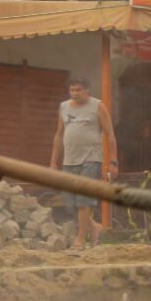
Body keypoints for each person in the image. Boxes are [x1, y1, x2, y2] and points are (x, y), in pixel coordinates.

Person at [50, 78, 118, 249]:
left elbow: (109, 134)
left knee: (83, 201)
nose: (75, 93)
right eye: (72, 90)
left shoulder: (98, 106)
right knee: (70, 201)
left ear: (88, 90)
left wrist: (113, 161)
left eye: (78, 90)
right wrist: (53, 162)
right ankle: (94, 227)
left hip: (91, 159)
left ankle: (81, 238)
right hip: (69, 160)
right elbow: (59, 135)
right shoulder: (64, 107)